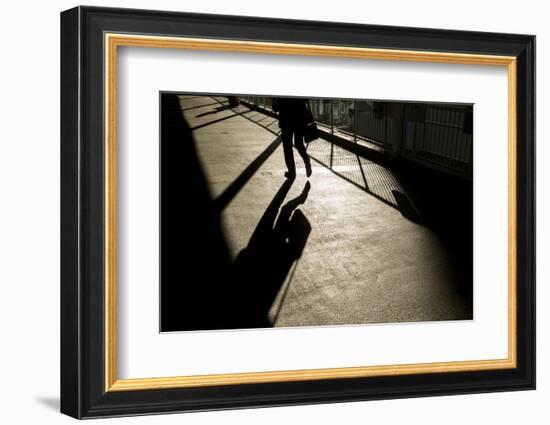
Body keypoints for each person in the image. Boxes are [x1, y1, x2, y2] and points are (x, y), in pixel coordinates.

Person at [272, 97, 313, 179]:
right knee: (299, 144)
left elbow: (276, 108)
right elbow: (305, 99)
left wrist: (275, 101)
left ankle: (292, 172)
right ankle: (306, 160)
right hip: (299, 118)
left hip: (286, 120)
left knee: (287, 147)